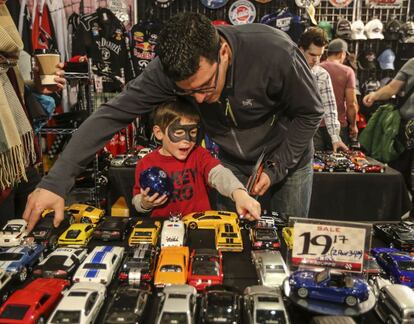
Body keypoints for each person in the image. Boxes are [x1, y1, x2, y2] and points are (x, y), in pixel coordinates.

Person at [23, 12, 323, 231]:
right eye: (187, 92)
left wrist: (277, 166)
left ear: (223, 52)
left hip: (286, 156)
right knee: (228, 242)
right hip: (230, 161)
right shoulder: (164, 72)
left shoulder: (275, 52)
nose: (201, 100)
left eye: (205, 86)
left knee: (290, 239)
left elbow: (310, 112)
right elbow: (110, 115)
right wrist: (56, 181)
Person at [133, 98, 260, 218]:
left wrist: (238, 193)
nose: (187, 141)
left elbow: (218, 173)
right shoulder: (146, 163)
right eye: (178, 133)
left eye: (193, 133)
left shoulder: (199, 154)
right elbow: (137, 199)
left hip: (200, 225)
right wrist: (145, 203)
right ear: (159, 133)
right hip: (164, 228)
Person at [0, 1, 65, 227]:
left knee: (34, 238)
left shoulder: (6, 48)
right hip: (4, 170)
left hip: (21, 161)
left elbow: (12, 100)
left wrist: (38, 89)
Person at [363, 58, 414, 191]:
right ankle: (398, 206)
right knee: (400, 173)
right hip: (406, 128)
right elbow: (392, 87)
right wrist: (374, 95)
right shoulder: (412, 63)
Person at [298, 27, 348, 152]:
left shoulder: (322, 75)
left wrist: (336, 138)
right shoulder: (286, 70)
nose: (315, 60)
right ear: (301, 49)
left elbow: (329, 107)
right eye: (312, 54)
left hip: (311, 133)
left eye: (319, 55)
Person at [320, 38, 359, 146]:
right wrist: (353, 125)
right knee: (338, 161)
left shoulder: (316, 69)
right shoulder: (347, 72)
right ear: (342, 53)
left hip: (316, 125)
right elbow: (351, 104)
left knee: (315, 161)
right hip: (338, 125)